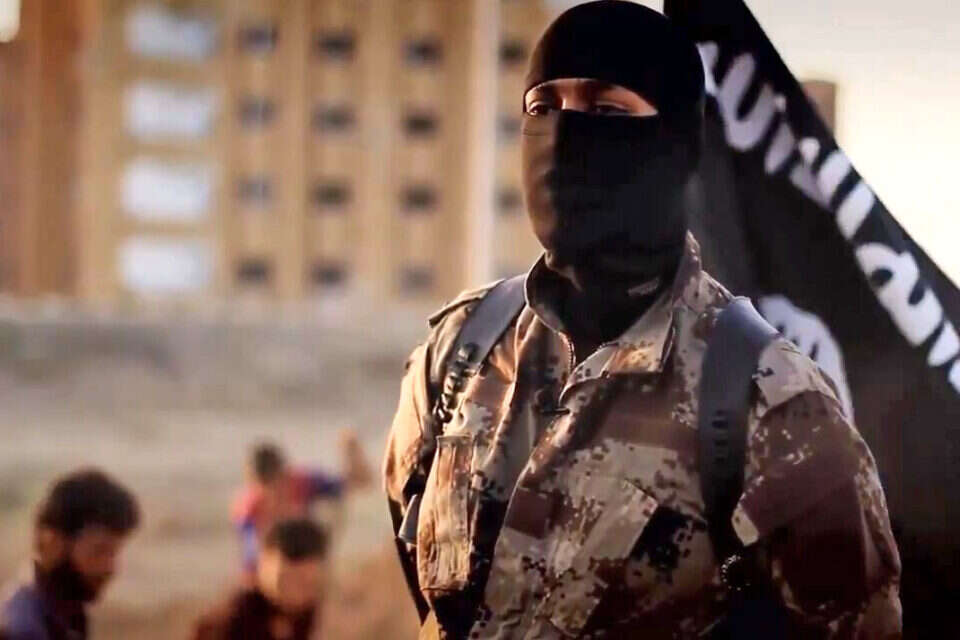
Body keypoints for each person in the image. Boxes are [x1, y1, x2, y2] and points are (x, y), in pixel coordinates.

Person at [383, 2, 901, 638]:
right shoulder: (460, 350)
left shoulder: (773, 405)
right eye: (543, 106)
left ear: (676, 147)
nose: (563, 134)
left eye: (606, 111)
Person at [0, 469, 140, 640]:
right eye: (99, 551)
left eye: (114, 553)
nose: (110, 567)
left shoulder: (61, 611)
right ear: (52, 542)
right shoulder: (22, 628)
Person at [232, 430, 371, 576]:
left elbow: (354, 483)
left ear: (285, 473)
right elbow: (251, 556)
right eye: (266, 487)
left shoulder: (300, 483)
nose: (275, 493)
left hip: (306, 554)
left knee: (334, 511)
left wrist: (351, 454)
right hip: (271, 569)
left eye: (279, 482)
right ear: (253, 483)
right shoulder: (248, 509)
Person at [191, 517, 329, 640]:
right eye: (288, 580)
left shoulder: (314, 617)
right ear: (262, 563)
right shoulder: (234, 619)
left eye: (307, 584)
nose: (296, 593)